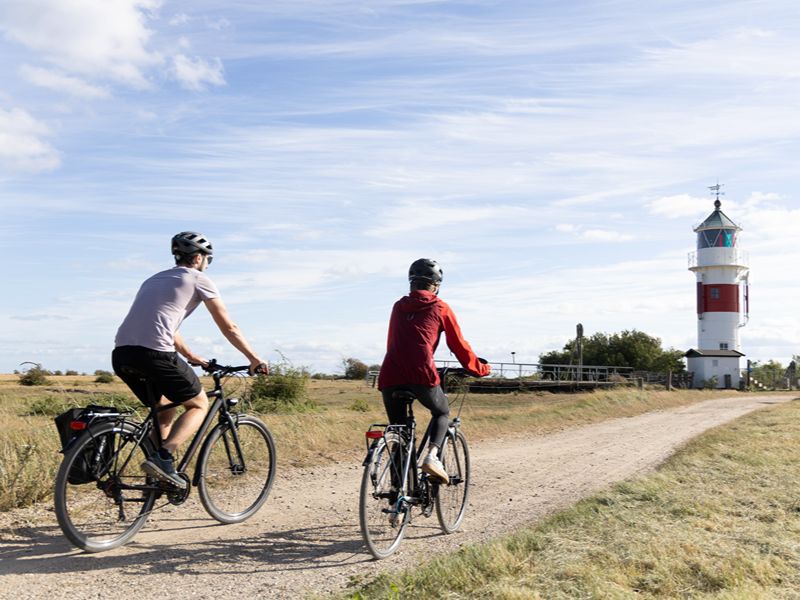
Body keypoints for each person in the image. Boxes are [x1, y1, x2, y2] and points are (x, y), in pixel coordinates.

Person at [112, 231, 267, 489]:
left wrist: (191, 356)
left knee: (164, 408)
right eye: (208, 259)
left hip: (122, 354)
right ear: (197, 258)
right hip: (155, 353)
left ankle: (157, 479)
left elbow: (163, 324)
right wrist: (253, 358)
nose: (207, 264)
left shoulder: (153, 280)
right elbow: (228, 326)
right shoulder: (199, 279)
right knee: (198, 404)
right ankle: (164, 458)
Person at [378, 258, 491, 484]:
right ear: (436, 286)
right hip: (421, 372)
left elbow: (393, 343)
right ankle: (432, 457)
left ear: (411, 282)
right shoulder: (440, 307)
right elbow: (458, 345)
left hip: (390, 374)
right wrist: (480, 369)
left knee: (400, 432)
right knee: (442, 412)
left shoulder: (398, 306)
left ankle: (397, 496)